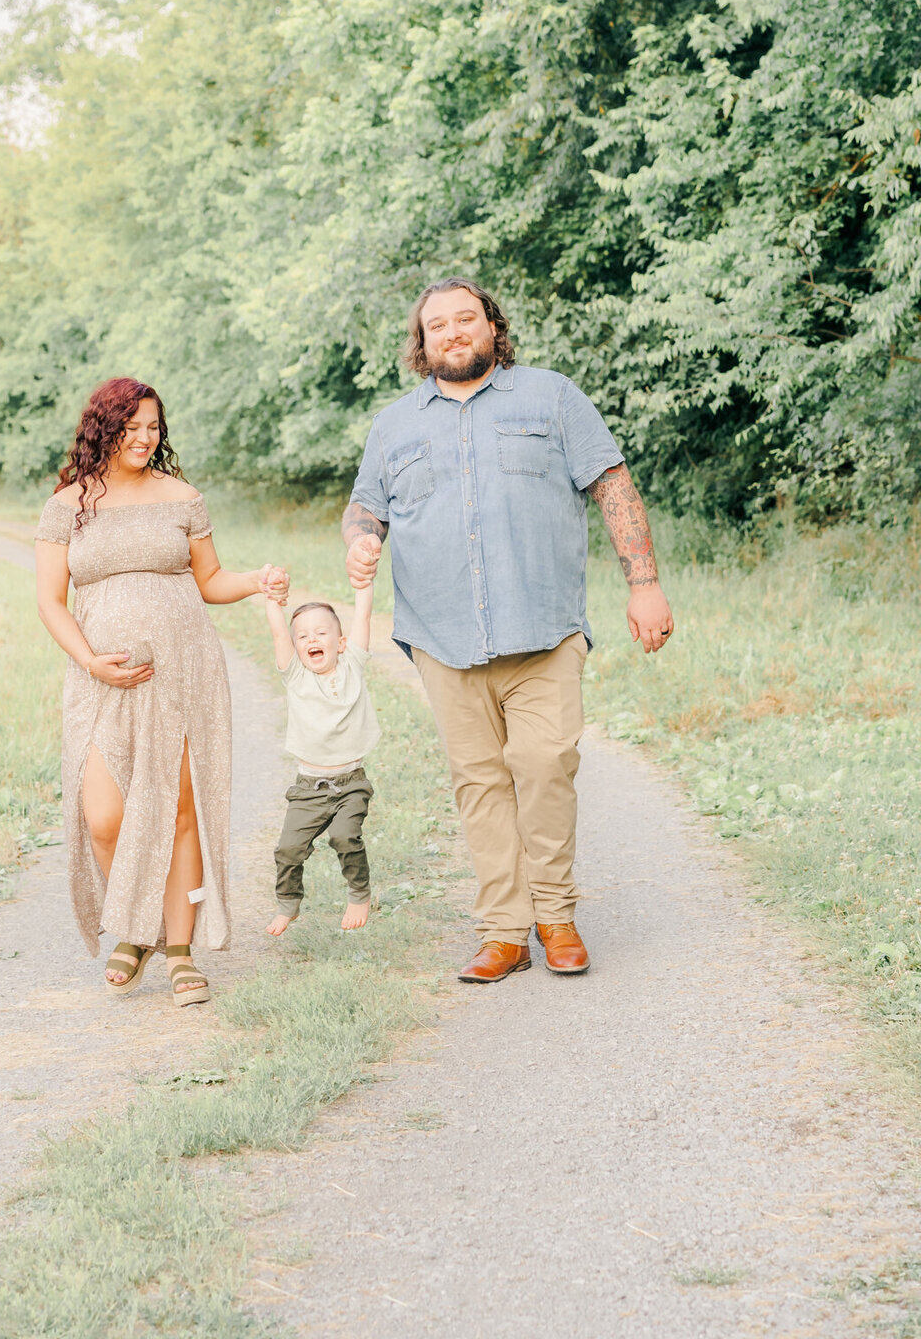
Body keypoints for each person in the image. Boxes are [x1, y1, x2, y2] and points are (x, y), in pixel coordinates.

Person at [342, 278, 674, 985]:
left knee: (545, 765)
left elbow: (611, 484)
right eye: (439, 326)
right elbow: (365, 509)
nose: (454, 333)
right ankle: (503, 932)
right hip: (442, 638)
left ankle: (555, 916)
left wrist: (643, 583)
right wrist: (361, 540)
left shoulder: (551, 397)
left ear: (493, 327)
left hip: (543, 629)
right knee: (480, 782)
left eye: (468, 319)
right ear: (422, 343)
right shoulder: (394, 425)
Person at [35, 376, 289, 1007]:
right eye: (132, 427)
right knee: (104, 816)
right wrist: (92, 661)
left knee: (178, 814)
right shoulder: (70, 504)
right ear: (105, 427)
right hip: (102, 681)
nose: (144, 438)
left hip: (184, 673)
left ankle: (177, 950)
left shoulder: (182, 497)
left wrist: (258, 579)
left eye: (153, 427)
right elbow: (49, 601)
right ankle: (137, 923)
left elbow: (210, 581)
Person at [262, 580, 380, 938]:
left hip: (350, 783)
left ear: (341, 643)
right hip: (308, 788)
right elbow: (279, 635)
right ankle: (288, 903)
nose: (311, 640)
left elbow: (363, 615)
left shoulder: (352, 666)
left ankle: (359, 894)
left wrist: (364, 583)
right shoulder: (296, 676)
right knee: (287, 850)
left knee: (345, 837)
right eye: (304, 637)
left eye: (321, 632)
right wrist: (272, 599)